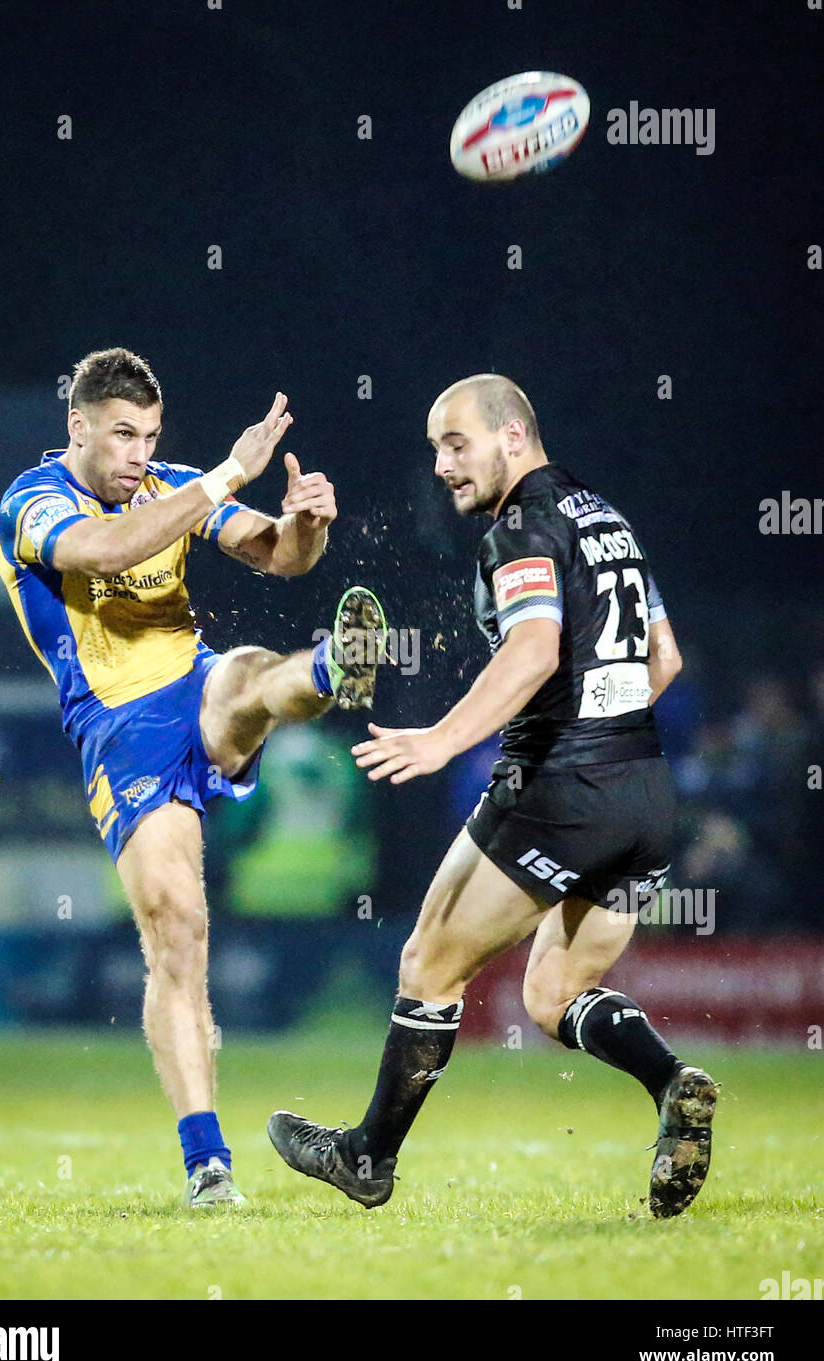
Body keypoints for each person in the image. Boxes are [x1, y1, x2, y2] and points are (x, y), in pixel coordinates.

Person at [268, 372, 717, 1220]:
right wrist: (606, 746)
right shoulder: (606, 517)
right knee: (549, 996)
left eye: (456, 441)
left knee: (426, 964)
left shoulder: (519, 529)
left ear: (514, 436)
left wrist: (443, 739)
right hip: (646, 799)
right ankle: (671, 1084)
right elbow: (665, 663)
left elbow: (535, 651)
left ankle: (368, 1156)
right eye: (435, 446)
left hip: (559, 789)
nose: (441, 463)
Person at [0, 347, 385, 1208]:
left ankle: (327, 670)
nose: (139, 454)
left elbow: (276, 556)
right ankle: (208, 1164)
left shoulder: (168, 483)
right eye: (124, 435)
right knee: (179, 932)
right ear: (80, 426)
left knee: (246, 677)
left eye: (151, 436)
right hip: (117, 730)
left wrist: (305, 524)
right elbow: (99, 552)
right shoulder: (33, 501)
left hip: (192, 680)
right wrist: (221, 475)